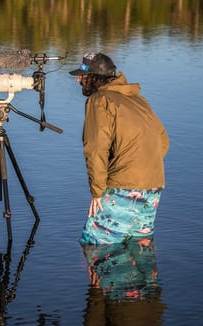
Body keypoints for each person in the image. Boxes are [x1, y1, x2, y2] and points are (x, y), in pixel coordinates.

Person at [69, 52, 169, 245]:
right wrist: (141, 168)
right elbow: (163, 141)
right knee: (140, 251)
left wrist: (97, 192)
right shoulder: (139, 100)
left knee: (95, 248)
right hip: (153, 186)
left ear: (93, 78)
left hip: (122, 187)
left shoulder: (99, 100)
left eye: (81, 76)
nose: (78, 81)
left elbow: (96, 148)